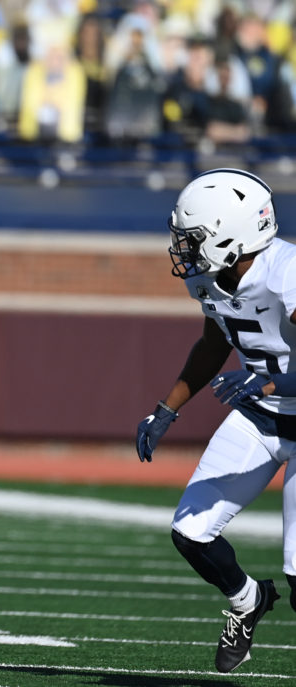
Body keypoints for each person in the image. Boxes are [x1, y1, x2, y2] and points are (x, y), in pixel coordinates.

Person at [135, 169, 291, 674]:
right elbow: (214, 342)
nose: (183, 248)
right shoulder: (209, 277)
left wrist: (270, 383)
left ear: (233, 232)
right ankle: (249, 601)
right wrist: (167, 408)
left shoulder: (287, 270)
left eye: (193, 239)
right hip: (259, 416)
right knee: (191, 531)